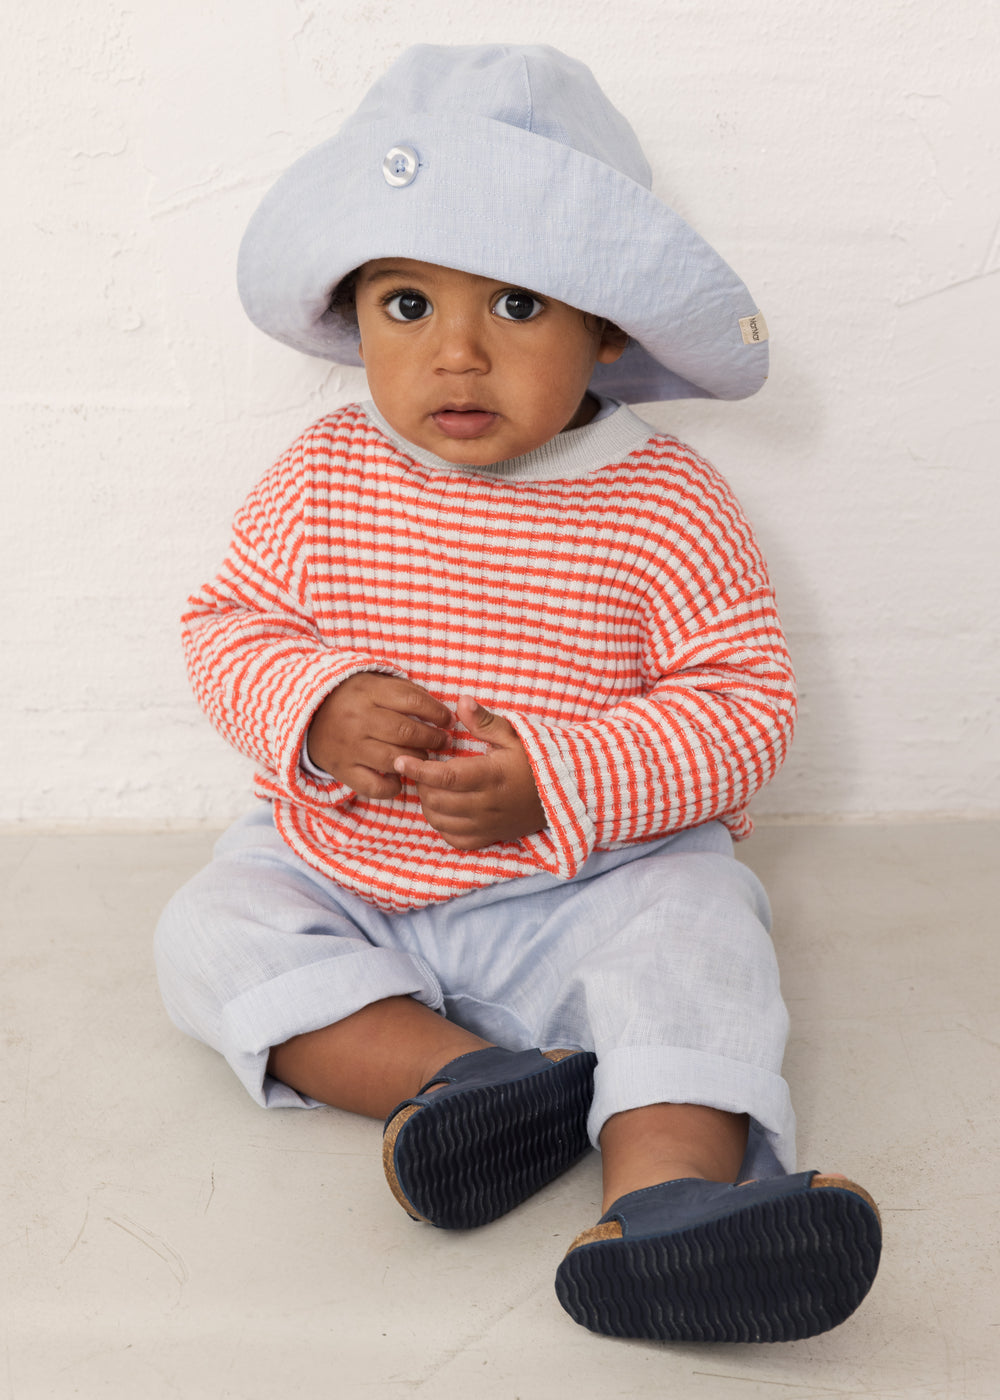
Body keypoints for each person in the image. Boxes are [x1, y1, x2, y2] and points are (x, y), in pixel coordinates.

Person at [155, 43, 881, 1342]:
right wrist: (317, 703)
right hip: (349, 870)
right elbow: (228, 627)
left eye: (518, 305)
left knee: (701, 932)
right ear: (355, 315)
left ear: (608, 323)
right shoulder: (325, 473)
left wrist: (557, 777)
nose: (459, 355)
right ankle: (467, 1087)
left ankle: (669, 1202)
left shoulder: (664, 503)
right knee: (211, 927)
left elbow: (744, 709)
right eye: (408, 304)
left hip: (590, 886)